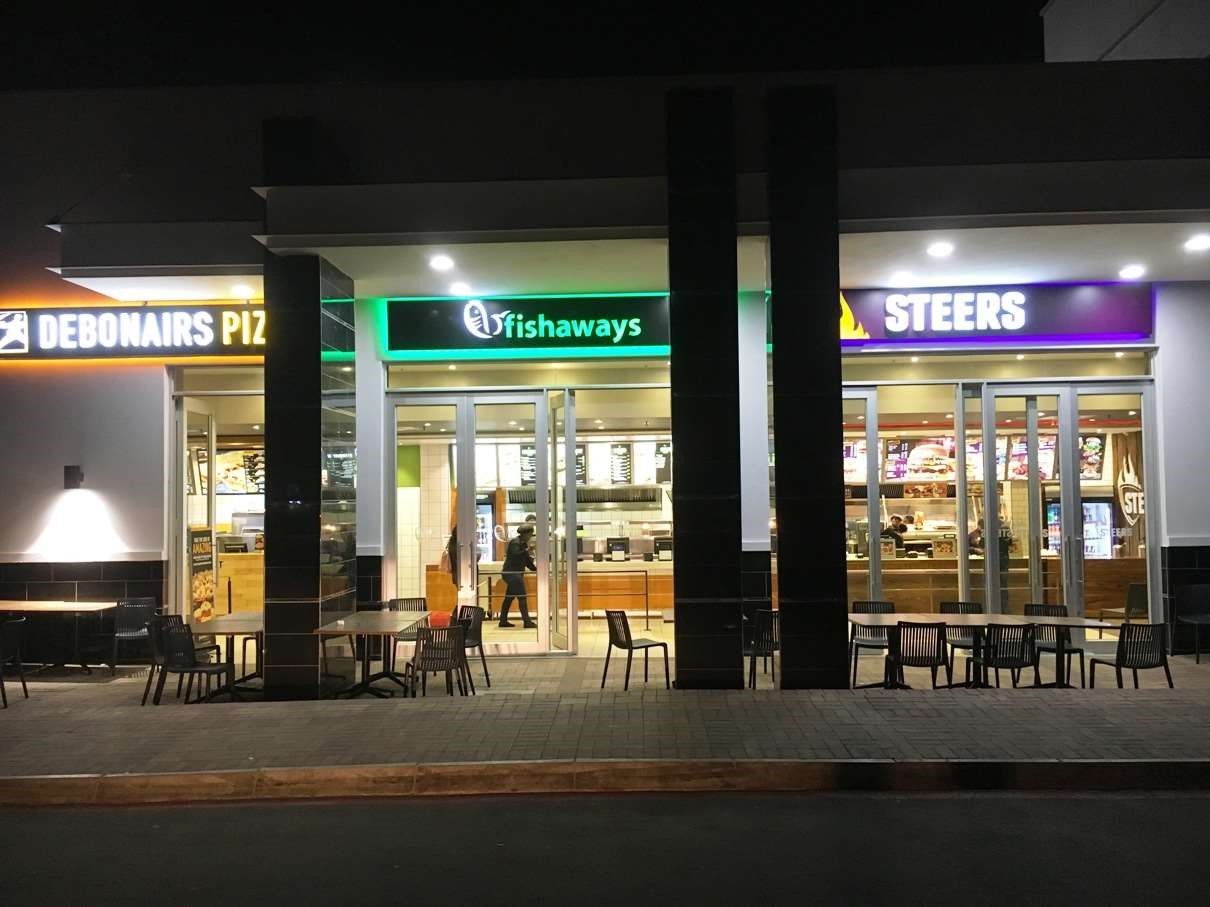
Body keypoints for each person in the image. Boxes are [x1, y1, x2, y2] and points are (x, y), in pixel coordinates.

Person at [498, 523, 538, 628]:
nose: (531, 536)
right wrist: (528, 550)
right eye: (530, 534)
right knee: (522, 597)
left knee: (509, 598)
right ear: (525, 534)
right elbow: (517, 555)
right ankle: (527, 621)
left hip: (513, 574)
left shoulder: (522, 544)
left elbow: (526, 560)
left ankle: (502, 620)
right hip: (512, 574)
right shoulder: (515, 542)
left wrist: (535, 569)